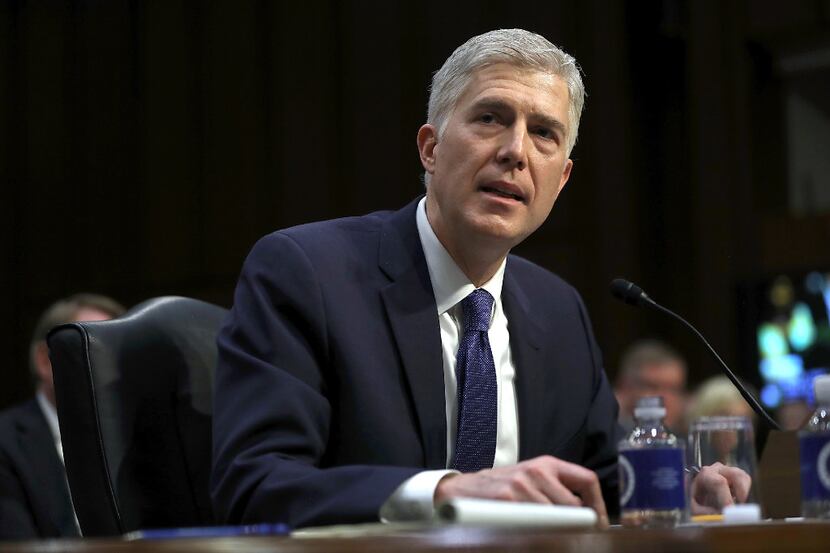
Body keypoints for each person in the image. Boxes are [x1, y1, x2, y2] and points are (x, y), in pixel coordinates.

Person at [211, 28, 745, 529]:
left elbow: (603, 482)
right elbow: (255, 484)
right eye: (491, 118)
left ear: (560, 181)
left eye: (543, 133)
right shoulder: (308, 274)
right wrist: (446, 493)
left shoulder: (558, 310)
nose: (515, 151)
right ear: (430, 148)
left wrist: (680, 489)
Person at [0, 293, 125, 540]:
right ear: (44, 361)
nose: (111, 369)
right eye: (94, 350)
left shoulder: (136, 433)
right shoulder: (6, 441)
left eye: (117, 353)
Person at [614, 339, 688, 434]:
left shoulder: (695, 442)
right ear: (624, 387)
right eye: (653, 387)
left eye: (674, 390)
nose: (665, 399)